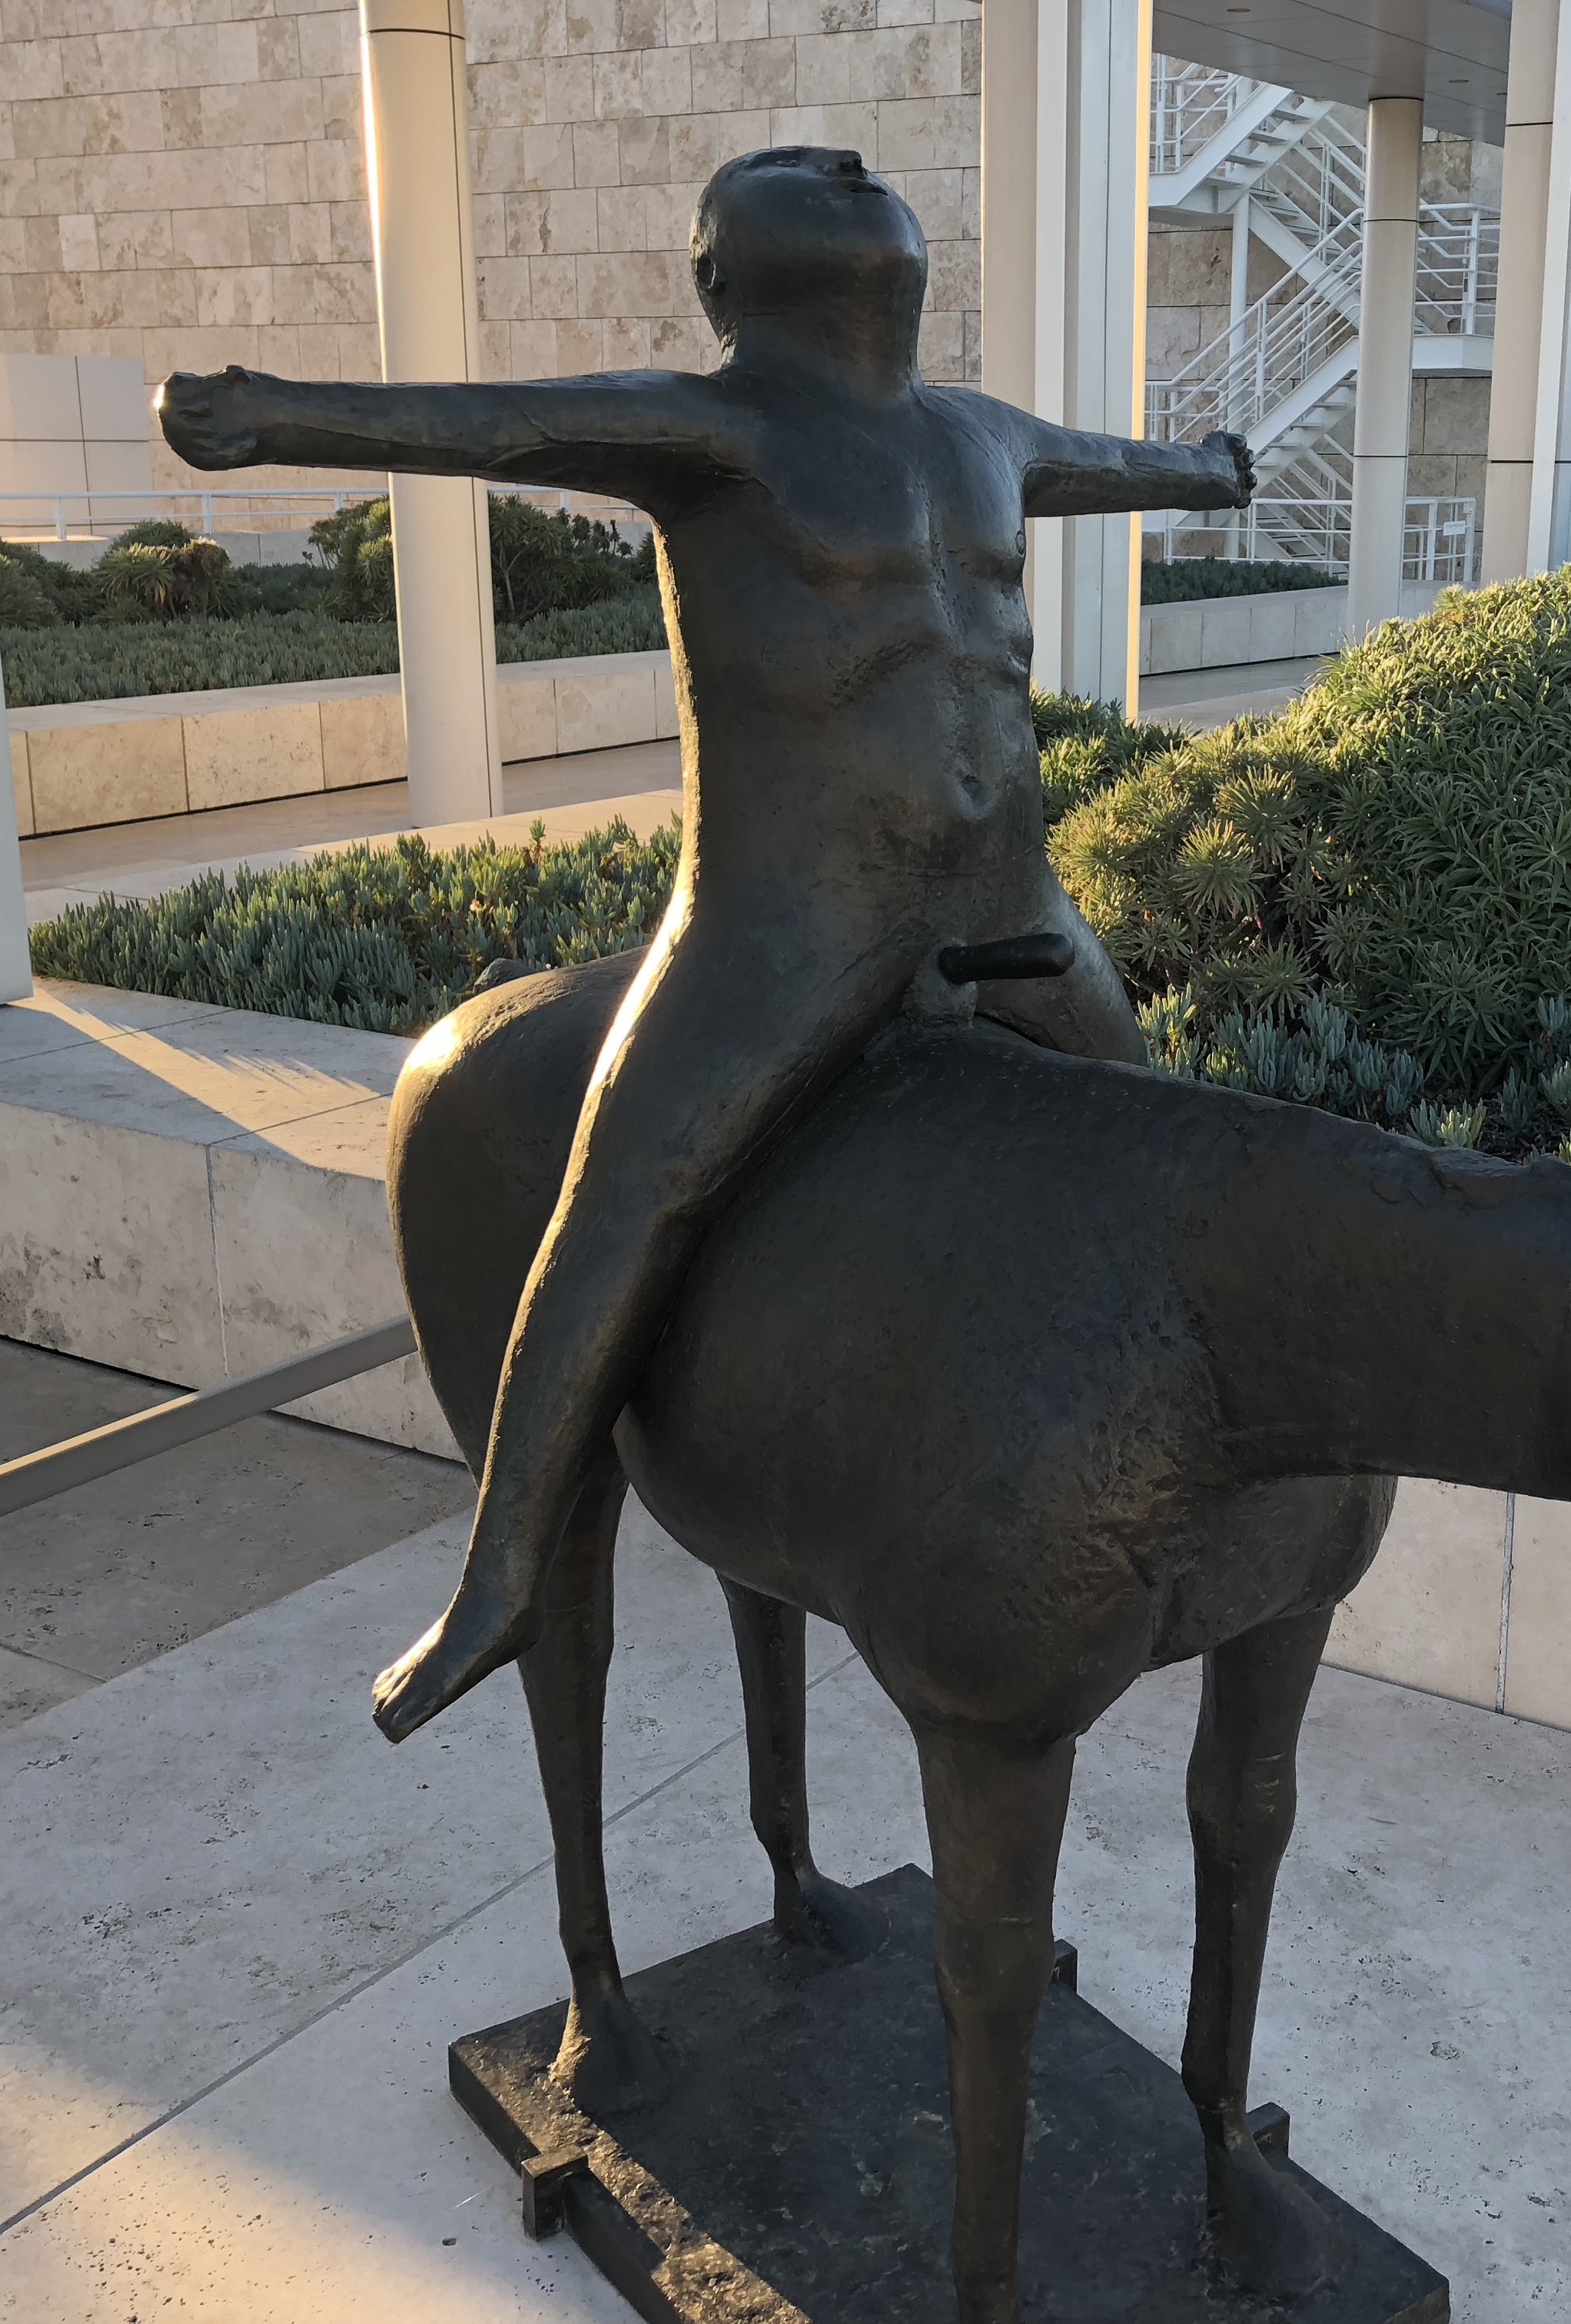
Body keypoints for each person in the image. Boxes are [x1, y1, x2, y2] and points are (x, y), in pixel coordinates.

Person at [158, 144, 1255, 1739]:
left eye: (854, 171)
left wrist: (1211, 472)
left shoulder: (980, 435)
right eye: (799, 177)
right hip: (788, 928)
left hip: (1009, 907)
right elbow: (492, 420)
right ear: (726, 280)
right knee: (627, 1186)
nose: (847, 167)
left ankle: (1201, 1472)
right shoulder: (717, 425)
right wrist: (277, 416)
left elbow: (1115, 462)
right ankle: (507, 1565)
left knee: (1196, 1153)